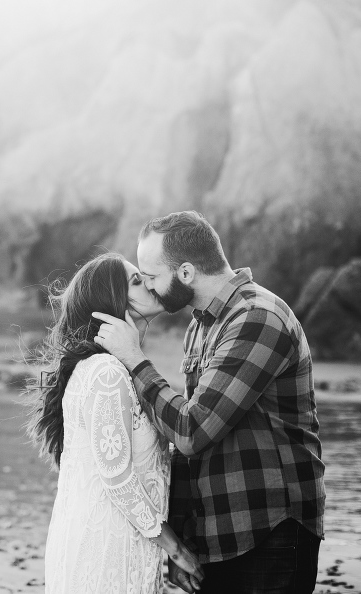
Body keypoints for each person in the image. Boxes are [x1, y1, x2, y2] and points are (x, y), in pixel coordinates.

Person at [92, 211, 325, 594]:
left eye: (151, 276)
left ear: (185, 273)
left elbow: (191, 430)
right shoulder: (201, 325)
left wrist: (135, 359)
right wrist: (182, 542)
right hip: (218, 533)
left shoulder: (256, 317)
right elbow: (193, 453)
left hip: (270, 532)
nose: (148, 287)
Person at [26, 252, 204, 593]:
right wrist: (177, 549)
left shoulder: (113, 368)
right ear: (111, 301)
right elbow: (118, 476)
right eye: (137, 281)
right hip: (107, 547)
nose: (150, 285)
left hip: (124, 538)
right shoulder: (106, 373)